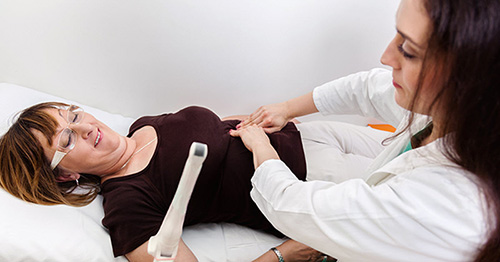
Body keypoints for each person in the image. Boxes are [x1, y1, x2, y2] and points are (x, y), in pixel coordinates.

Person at [230, 0, 500, 261]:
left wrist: (261, 146)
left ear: (469, 79)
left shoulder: (443, 204)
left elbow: (292, 206)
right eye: (396, 36)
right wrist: (286, 108)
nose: (386, 57)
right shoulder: (454, 114)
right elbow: (368, 88)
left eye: (408, 50)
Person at [0, 102, 346, 262]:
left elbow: (220, 127)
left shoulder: (141, 125)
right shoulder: (126, 203)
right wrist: (284, 256)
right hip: (315, 184)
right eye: (66, 141)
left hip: (314, 135)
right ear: (65, 175)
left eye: (73, 115)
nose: (85, 127)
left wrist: (274, 116)